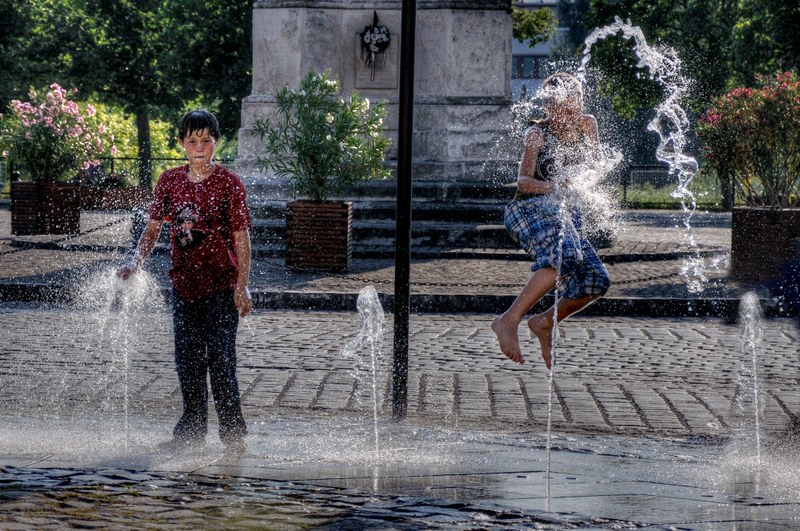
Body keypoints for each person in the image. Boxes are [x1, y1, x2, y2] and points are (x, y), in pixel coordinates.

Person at [118, 109, 253, 454]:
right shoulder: (169, 181)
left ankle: (233, 435)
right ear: (181, 143)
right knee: (188, 362)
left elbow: (241, 238)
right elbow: (152, 230)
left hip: (221, 288)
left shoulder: (229, 183)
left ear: (216, 143)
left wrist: (241, 284)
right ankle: (191, 431)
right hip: (184, 287)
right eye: (192, 140)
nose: (199, 147)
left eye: (206, 139)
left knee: (221, 363)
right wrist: (134, 263)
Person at [491, 72, 611, 369]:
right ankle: (509, 320)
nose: (567, 116)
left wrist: (581, 184)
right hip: (528, 209)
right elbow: (522, 182)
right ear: (548, 107)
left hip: (560, 214)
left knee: (596, 281)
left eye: (573, 107)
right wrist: (555, 187)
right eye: (560, 109)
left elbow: (595, 168)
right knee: (564, 256)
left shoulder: (588, 125)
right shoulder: (537, 133)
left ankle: (544, 321)